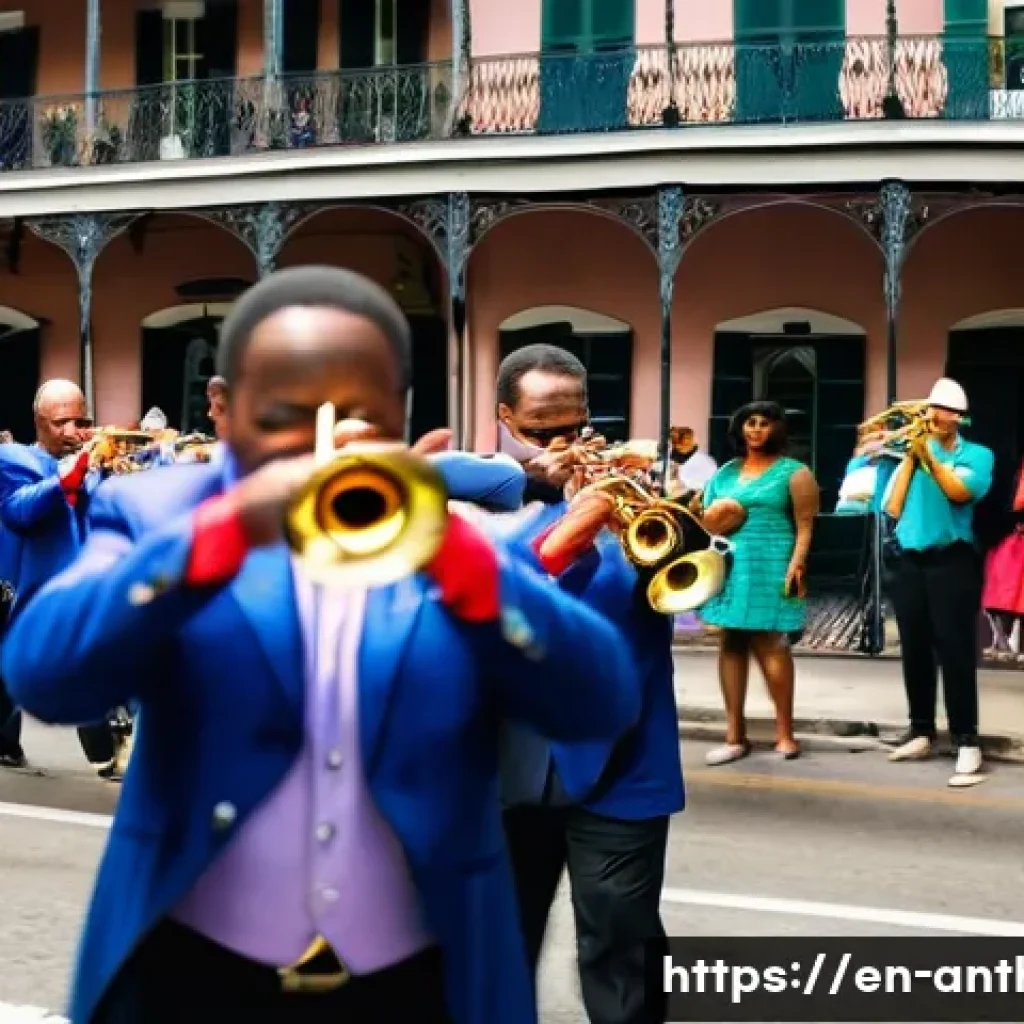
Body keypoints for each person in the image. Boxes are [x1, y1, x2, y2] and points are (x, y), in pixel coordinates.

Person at [1, 267, 641, 1024]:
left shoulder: (454, 533)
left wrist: (453, 555)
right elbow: (44, 675)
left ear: (398, 414)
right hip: (193, 972)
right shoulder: (150, 510)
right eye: (288, 407)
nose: (322, 436)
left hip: (416, 979)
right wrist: (218, 535)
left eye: (356, 407)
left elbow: (599, 698)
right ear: (223, 406)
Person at [492, 343, 683, 1024]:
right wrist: (566, 533)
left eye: (576, 425)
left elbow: (685, 597)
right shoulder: (479, 499)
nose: (565, 443)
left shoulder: (632, 492)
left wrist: (674, 523)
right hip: (507, 765)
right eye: (545, 428)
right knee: (499, 945)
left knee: (621, 950)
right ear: (506, 417)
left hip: (624, 763)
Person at [0, 379, 124, 776]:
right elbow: (17, 512)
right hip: (33, 585)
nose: (73, 431)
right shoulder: (14, 457)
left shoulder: (93, 460)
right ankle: (104, 754)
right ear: (38, 421)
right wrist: (62, 482)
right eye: (61, 422)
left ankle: (107, 753)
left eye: (80, 420)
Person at [883, 378, 994, 787]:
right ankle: (921, 729)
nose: (934, 415)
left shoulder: (977, 455)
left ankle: (967, 739)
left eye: (944, 409)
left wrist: (926, 453)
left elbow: (959, 492)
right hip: (909, 559)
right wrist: (911, 455)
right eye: (931, 408)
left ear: (958, 418)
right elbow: (892, 507)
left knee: (955, 648)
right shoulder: (910, 454)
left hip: (952, 560)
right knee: (914, 647)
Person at [698, 401, 820, 766]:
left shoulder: (795, 473)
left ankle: (786, 734)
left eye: (764, 423)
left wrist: (797, 565)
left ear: (777, 429)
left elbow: (805, 525)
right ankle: (734, 735)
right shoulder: (725, 472)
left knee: (773, 645)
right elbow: (705, 515)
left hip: (772, 565)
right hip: (729, 565)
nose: (755, 429)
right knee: (730, 642)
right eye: (749, 423)